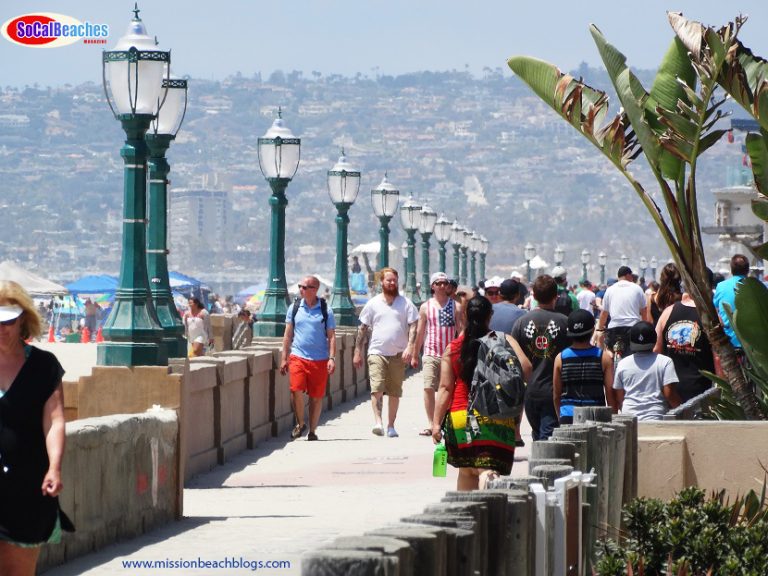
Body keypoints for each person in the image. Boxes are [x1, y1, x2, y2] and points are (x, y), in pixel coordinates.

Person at [0, 281, 74, 574]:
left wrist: (54, 467)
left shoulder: (44, 365)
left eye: (8, 321)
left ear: (23, 321)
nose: (2, 329)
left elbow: (55, 421)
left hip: (27, 485)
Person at [431, 296, 531, 490]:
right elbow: (526, 368)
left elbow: (445, 388)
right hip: (494, 414)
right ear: (490, 316)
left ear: (466, 316)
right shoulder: (503, 340)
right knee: (487, 468)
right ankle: (490, 506)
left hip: (460, 416)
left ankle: (466, 517)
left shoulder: (453, 347)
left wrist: (436, 424)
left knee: (467, 471)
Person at [353, 268, 418, 438]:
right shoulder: (373, 304)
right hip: (377, 352)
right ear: (381, 282)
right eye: (389, 280)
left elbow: (414, 326)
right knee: (377, 388)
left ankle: (391, 425)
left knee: (395, 391)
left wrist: (410, 347)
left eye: (394, 280)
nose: (392, 283)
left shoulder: (406, 303)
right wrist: (357, 352)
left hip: (398, 354)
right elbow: (363, 329)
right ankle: (378, 422)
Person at [511, 275, 569, 441]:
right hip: (555, 390)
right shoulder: (564, 323)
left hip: (530, 391)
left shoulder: (521, 323)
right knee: (547, 440)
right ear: (555, 296)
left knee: (540, 436)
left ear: (534, 296)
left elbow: (514, 359)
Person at [280, 276, 336, 442]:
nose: (301, 289)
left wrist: (332, 358)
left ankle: (312, 430)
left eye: (304, 287)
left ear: (314, 289)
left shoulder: (326, 309)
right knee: (295, 388)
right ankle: (300, 423)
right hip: (298, 355)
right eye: (300, 286)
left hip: (320, 359)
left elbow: (332, 337)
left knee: (316, 397)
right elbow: (288, 334)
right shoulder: (295, 307)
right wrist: (284, 357)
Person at [413, 272, 463, 436]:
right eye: (439, 283)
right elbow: (420, 332)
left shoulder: (455, 306)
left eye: (445, 283)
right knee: (428, 387)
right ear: (433, 286)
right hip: (430, 353)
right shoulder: (426, 307)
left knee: (448, 389)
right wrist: (414, 354)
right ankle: (431, 422)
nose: (442, 286)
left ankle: (442, 421)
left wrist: (462, 350)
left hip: (449, 355)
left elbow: (460, 330)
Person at [654, 279, 715, 403]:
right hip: (700, 387)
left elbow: (656, 350)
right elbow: (718, 357)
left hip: (670, 387)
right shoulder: (711, 316)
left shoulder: (668, 312)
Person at [553, 309, 615, 424]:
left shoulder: (560, 358)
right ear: (592, 331)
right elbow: (610, 392)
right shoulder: (603, 358)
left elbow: (556, 395)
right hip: (596, 415)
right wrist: (614, 418)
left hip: (568, 415)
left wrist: (560, 416)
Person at [613, 321, 681, 420]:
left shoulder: (622, 363)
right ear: (655, 339)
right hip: (655, 418)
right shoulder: (665, 362)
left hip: (629, 419)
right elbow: (669, 394)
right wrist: (681, 409)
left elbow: (619, 397)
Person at [489, 277, 526, 446]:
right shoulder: (522, 314)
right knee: (516, 397)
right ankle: (516, 434)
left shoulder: (489, 309)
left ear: (500, 293)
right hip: (512, 362)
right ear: (517, 295)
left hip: (489, 358)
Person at [596, 266, 647, 361]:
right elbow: (644, 311)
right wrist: (645, 326)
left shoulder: (610, 290)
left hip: (614, 328)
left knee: (609, 349)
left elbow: (604, 313)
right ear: (628, 275)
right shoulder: (637, 288)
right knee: (633, 355)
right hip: (633, 327)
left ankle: (611, 359)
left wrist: (600, 328)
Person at [713, 254, 750, 349]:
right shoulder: (756, 287)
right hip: (753, 345)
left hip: (729, 343)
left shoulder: (721, 286)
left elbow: (715, 308)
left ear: (732, 270)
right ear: (748, 270)